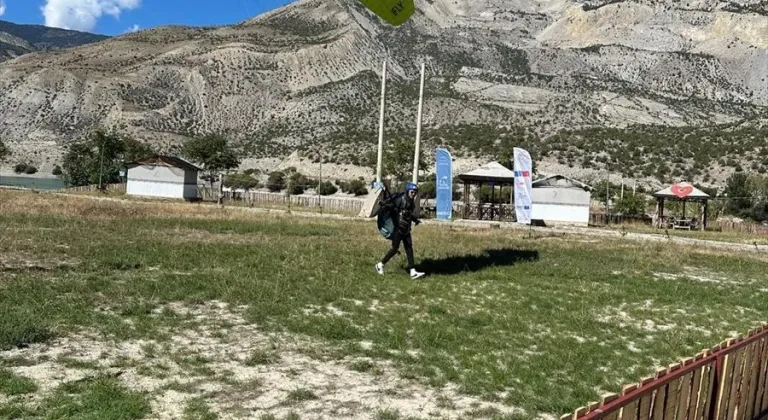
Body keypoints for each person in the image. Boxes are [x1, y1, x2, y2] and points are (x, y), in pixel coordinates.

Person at [375, 182, 426, 279]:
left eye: (415, 192)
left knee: (409, 249)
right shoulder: (400, 199)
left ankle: (412, 271)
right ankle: (380, 265)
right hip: (397, 229)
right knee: (394, 249)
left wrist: (415, 220)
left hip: (406, 229)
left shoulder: (411, 202)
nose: (413, 194)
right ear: (408, 191)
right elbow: (391, 206)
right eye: (412, 192)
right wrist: (383, 204)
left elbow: (408, 214)